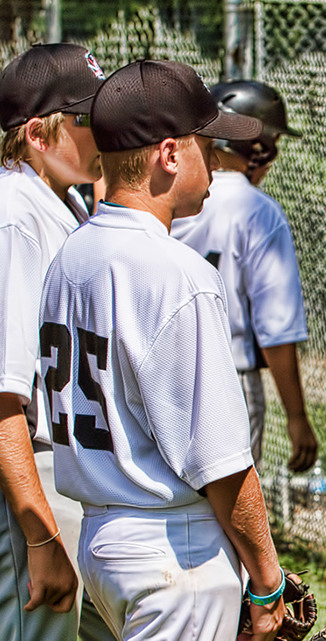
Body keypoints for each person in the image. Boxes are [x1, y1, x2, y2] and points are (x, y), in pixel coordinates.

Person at [39, 59, 286, 641]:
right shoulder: (178, 272)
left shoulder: (72, 252)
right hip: (173, 552)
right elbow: (222, 461)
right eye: (206, 143)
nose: (216, 158)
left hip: (100, 543)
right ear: (170, 154)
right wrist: (268, 578)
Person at [0, 42, 116, 641]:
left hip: (62, 473)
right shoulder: (14, 212)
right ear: (37, 136)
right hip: (31, 479)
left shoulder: (57, 202)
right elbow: (2, 395)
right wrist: (39, 533)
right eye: (85, 118)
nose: (104, 130)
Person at [171, 80, 317, 474]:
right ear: (259, 147)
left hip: (165, 370)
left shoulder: (169, 197)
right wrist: (297, 416)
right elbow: (275, 329)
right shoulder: (258, 211)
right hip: (228, 378)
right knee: (230, 511)